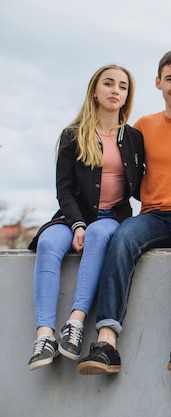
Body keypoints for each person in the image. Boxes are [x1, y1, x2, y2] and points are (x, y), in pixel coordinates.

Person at [76, 50, 171, 377]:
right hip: (153, 214)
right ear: (158, 83)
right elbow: (120, 171)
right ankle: (107, 340)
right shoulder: (141, 127)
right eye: (170, 79)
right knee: (122, 237)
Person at [27, 65, 144, 371]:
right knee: (49, 243)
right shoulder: (73, 135)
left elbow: (143, 185)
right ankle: (44, 335)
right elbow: (63, 190)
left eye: (122, 86)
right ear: (95, 90)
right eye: (108, 84)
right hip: (72, 216)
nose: (115, 90)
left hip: (111, 217)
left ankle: (75, 322)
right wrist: (77, 223)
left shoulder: (133, 138)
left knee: (98, 235)